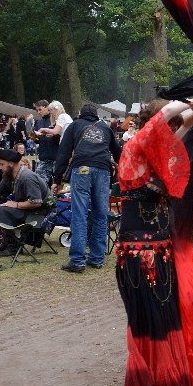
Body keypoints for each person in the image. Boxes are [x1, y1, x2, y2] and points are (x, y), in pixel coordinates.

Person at [116, 98, 193, 386]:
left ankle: (157, 381)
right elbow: (165, 115)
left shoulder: (155, 151)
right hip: (140, 253)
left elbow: (177, 133)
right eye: (169, 129)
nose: (173, 134)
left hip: (159, 249)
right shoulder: (137, 146)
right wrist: (186, 102)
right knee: (149, 321)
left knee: (164, 318)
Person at [54, 103, 122, 272]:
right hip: (103, 170)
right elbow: (119, 153)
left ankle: (77, 261)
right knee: (100, 214)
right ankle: (97, 259)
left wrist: (57, 178)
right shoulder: (106, 128)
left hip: (82, 169)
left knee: (80, 214)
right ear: (96, 115)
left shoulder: (75, 125)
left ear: (80, 114)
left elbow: (63, 152)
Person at [32, 100, 59, 186]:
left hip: (57, 157)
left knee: (57, 184)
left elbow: (63, 136)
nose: (39, 112)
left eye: (40, 109)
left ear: (46, 107)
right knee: (39, 184)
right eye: (37, 110)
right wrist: (34, 138)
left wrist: (54, 136)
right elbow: (36, 138)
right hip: (44, 157)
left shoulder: (56, 119)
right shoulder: (39, 122)